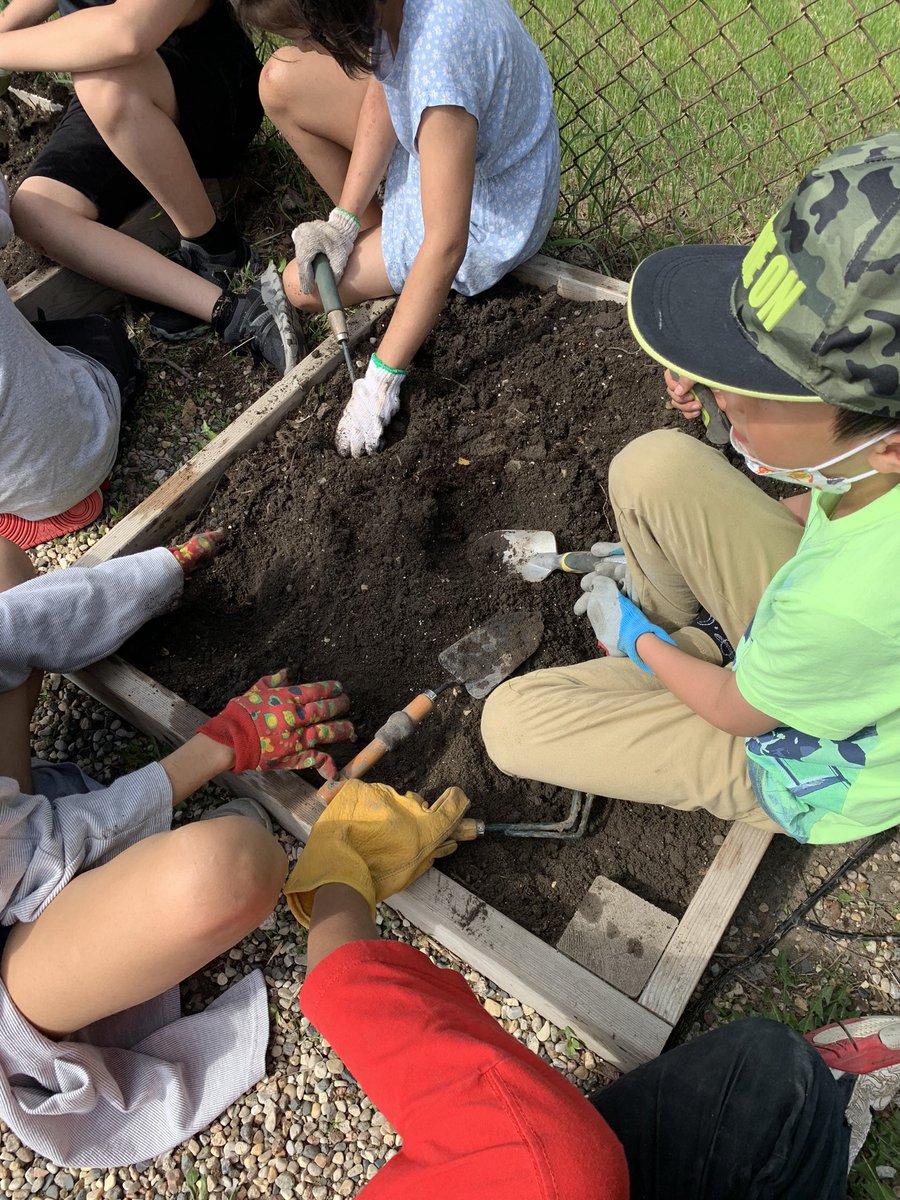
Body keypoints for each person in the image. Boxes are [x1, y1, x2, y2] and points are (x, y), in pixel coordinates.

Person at [481, 132, 900, 847]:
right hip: (818, 652)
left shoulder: (842, 602)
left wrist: (639, 640)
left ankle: (691, 644)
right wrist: (713, 540)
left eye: (759, 388)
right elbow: (833, 513)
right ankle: (705, 635)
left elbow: (739, 711)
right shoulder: (871, 469)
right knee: (652, 467)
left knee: (511, 723)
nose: (721, 396)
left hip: (807, 763)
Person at [282, 778, 900, 1197]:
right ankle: (818, 1140)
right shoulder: (544, 1169)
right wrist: (345, 853)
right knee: (785, 1083)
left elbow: (348, 990)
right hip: (571, 1175)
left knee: (763, 1068)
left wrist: (340, 868)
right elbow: (544, 1156)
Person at [0, 530, 355, 1166]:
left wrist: (153, 577)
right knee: (227, 870)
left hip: (9, 843)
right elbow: (41, 850)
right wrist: (220, 744)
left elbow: (12, 624)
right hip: (13, 969)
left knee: (1, 563)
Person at [234, 0, 560, 456]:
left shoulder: (440, 64)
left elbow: (447, 243)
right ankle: (382, 244)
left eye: (308, 35)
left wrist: (380, 381)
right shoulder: (389, 11)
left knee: (299, 285)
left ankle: (400, 266)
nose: (307, 49)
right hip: (471, 147)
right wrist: (344, 221)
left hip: (490, 214)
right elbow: (385, 88)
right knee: (280, 81)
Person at [0, 0, 302, 373]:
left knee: (103, 82)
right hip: (114, 91)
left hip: (204, 84)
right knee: (37, 211)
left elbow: (127, 33)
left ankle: (214, 247)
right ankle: (226, 309)